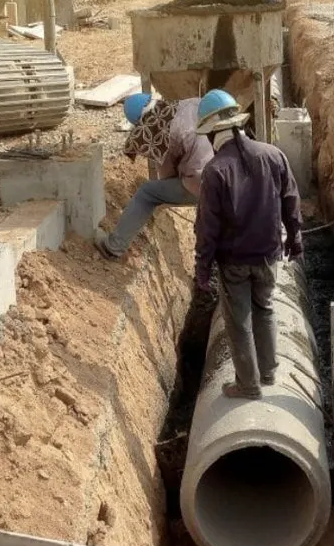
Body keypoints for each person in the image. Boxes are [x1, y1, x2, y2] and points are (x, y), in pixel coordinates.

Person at [192, 89, 303, 400]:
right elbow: (291, 201)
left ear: (212, 132)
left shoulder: (215, 172)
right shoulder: (273, 155)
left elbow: (207, 228)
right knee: (264, 309)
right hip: (269, 255)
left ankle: (248, 385)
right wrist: (295, 238)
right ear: (238, 123)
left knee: (239, 322)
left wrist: (202, 267)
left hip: (234, 261)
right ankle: (268, 372)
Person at [95, 92, 213, 259]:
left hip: (206, 182)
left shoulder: (159, 133)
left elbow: (167, 178)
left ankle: (113, 246)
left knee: (147, 192)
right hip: (233, 172)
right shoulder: (191, 103)